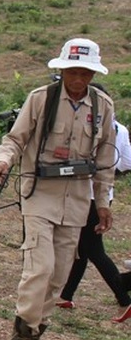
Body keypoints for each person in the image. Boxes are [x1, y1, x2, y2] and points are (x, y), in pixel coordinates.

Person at [0, 37, 116, 340]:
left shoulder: (102, 106)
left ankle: (35, 335)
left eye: (85, 73)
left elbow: (105, 159)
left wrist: (103, 202)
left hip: (75, 201)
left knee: (58, 276)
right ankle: (20, 336)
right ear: (62, 69)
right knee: (39, 268)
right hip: (40, 195)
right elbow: (15, 139)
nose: (79, 79)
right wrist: (3, 162)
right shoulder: (41, 99)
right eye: (73, 71)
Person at [57, 94, 131, 323]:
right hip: (104, 195)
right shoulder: (122, 129)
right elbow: (127, 163)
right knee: (83, 248)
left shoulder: (90, 128)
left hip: (85, 194)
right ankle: (66, 295)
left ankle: (124, 297)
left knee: (94, 250)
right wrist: (108, 173)